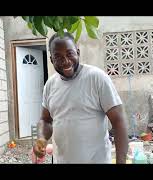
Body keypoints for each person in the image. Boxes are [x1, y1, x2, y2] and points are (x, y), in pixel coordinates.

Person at [33, 32, 128, 164]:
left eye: (70, 54)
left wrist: (121, 161)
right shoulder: (50, 85)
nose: (65, 61)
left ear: (78, 52)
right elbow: (45, 120)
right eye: (58, 57)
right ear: (51, 60)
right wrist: (41, 138)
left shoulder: (97, 78)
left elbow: (119, 122)